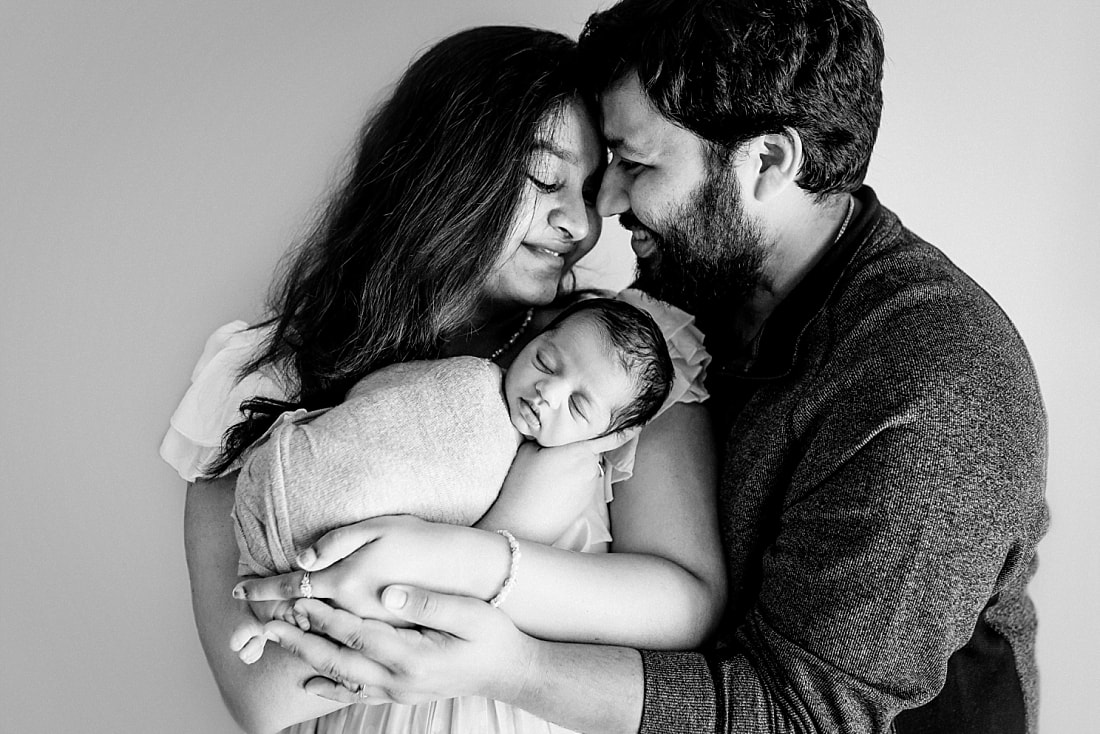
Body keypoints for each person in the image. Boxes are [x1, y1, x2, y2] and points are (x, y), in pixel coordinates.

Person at [244, 2, 1049, 733]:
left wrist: (511, 663)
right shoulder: (675, 299)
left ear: (767, 161)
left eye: (636, 165)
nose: (608, 209)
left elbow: (806, 718)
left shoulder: (931, 381)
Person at [167, 24, 723, 734]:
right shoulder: (259, 373)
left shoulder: (620, 357)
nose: (580, 223)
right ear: (446, 169)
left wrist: (462, 565)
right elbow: (263, 694)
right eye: (546, 179)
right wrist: (490, 581)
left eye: (587, 190)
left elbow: (683, 605)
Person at [229, 298, 673, 654]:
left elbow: (474, 557)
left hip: (343, 561)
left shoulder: (560, 476)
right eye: (545, 362)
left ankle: (271, 625)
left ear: (612, 435)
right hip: (290, 475)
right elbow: (380, 395)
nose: (548, 392)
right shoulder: (471, 376)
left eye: (578, 406)